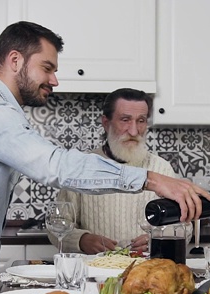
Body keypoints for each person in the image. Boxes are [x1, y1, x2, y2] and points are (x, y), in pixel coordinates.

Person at [0, 21, 210, 294]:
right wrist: (153, 181)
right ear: (15, 60)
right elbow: (56, 166)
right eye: (47, 67)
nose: (54, 79)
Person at [47, 88, 177, 254]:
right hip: (94, 270)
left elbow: (184, 228)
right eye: (125, 120)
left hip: (148, 271)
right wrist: (81, 240)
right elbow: (56, 224)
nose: (134, 131)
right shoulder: (82, 167)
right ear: (106, 123)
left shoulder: (162, 168)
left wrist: (160, 239)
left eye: (141, 120)